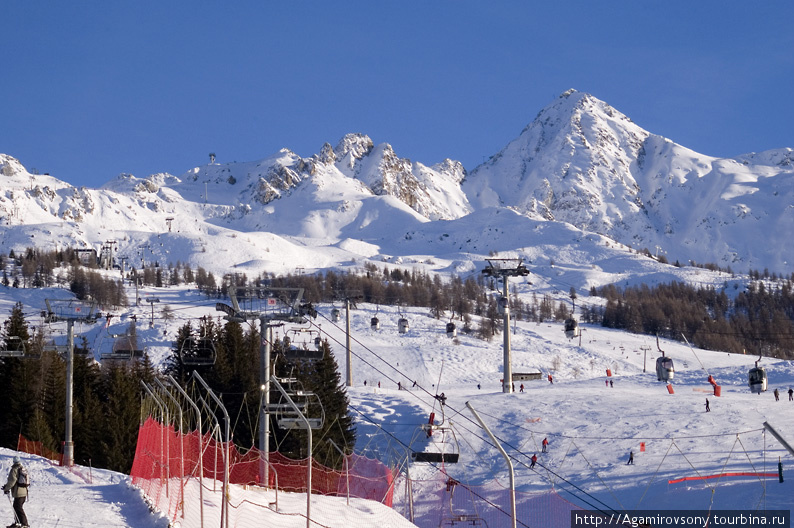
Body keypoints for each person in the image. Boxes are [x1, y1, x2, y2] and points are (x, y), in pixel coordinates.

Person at [3, 456, 29, 528]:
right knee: (16, 507)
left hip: (18, 492)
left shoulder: (14, 469)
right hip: (24, 491)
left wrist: (6, 488)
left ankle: (24, 524)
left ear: (14, 461)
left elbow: (12, 481)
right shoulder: (23, 468)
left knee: (18, 507)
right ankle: (18, 523)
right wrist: (7, 486)